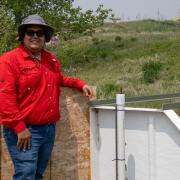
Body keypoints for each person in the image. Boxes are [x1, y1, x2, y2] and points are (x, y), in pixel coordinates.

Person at [0, 14, 93, 180]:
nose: (35, 36)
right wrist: (20, 128)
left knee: (37, 174)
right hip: (24, 130)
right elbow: (5, 98)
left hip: (48, 129)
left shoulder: (50, 59)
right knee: (25, 175)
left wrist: (80, 84)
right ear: (22, 36)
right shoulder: (8, 61)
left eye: (40, 33)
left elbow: (59, 78)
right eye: (30, 32)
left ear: (45, 37)